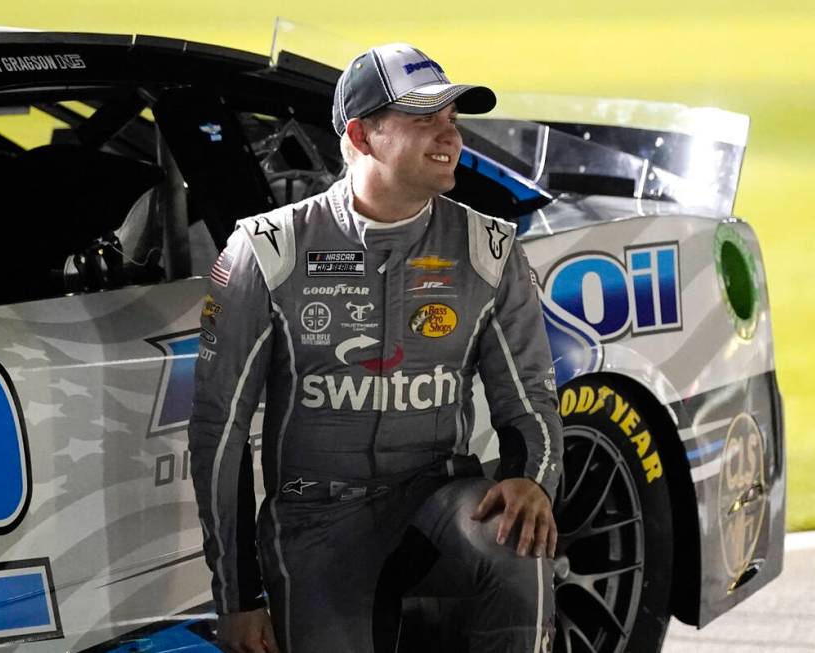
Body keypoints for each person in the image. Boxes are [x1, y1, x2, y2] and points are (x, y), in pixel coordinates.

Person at [189, 43, 562, 653]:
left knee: (515, 536)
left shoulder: (489, 249)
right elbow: (218, 431)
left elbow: (531, 401)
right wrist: (237, 597)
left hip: (439, 504)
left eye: (452, 120)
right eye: (424, 120)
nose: (450, 136)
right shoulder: (264, 252)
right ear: (361, 136)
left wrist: (531, 480)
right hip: (313, 526)